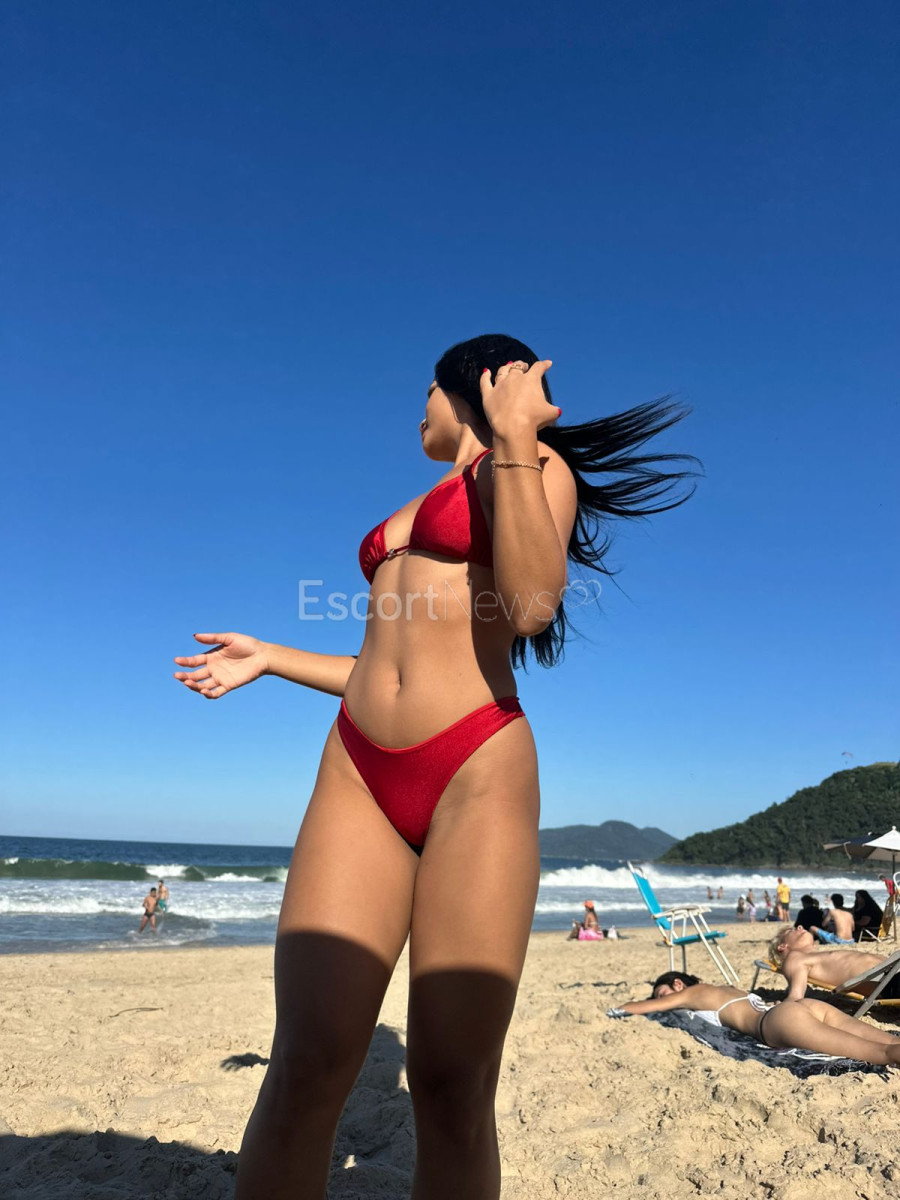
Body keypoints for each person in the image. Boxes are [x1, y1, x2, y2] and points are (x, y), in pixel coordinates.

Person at [171, 335, 698, 1200]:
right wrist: (270, 657)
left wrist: (518, 437)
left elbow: (531, 607)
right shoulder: (416, 502)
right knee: (305, 1060)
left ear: (470, 389)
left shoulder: (532, 469)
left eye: (424, 393)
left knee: (452, 1084)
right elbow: (383, 668)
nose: (416, 412)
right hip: (356, 766)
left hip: (474, 768)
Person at [619, 971, 900, 1065]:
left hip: (778, 1022)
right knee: (888, 1041)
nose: (662, 1001)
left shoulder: (691, 994)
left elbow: (641, 1007)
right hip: (802, 1007)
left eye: (662, 993)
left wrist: (620, 1008)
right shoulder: (722, 988)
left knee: (883, 1054)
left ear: (678, 984)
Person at [769, 925, 900, 999]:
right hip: (889, 982)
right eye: (791, 930)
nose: (799, 926)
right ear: (782, 946)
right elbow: (795, 997)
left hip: (894, 971)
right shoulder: (795, 958)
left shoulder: (815, 955)